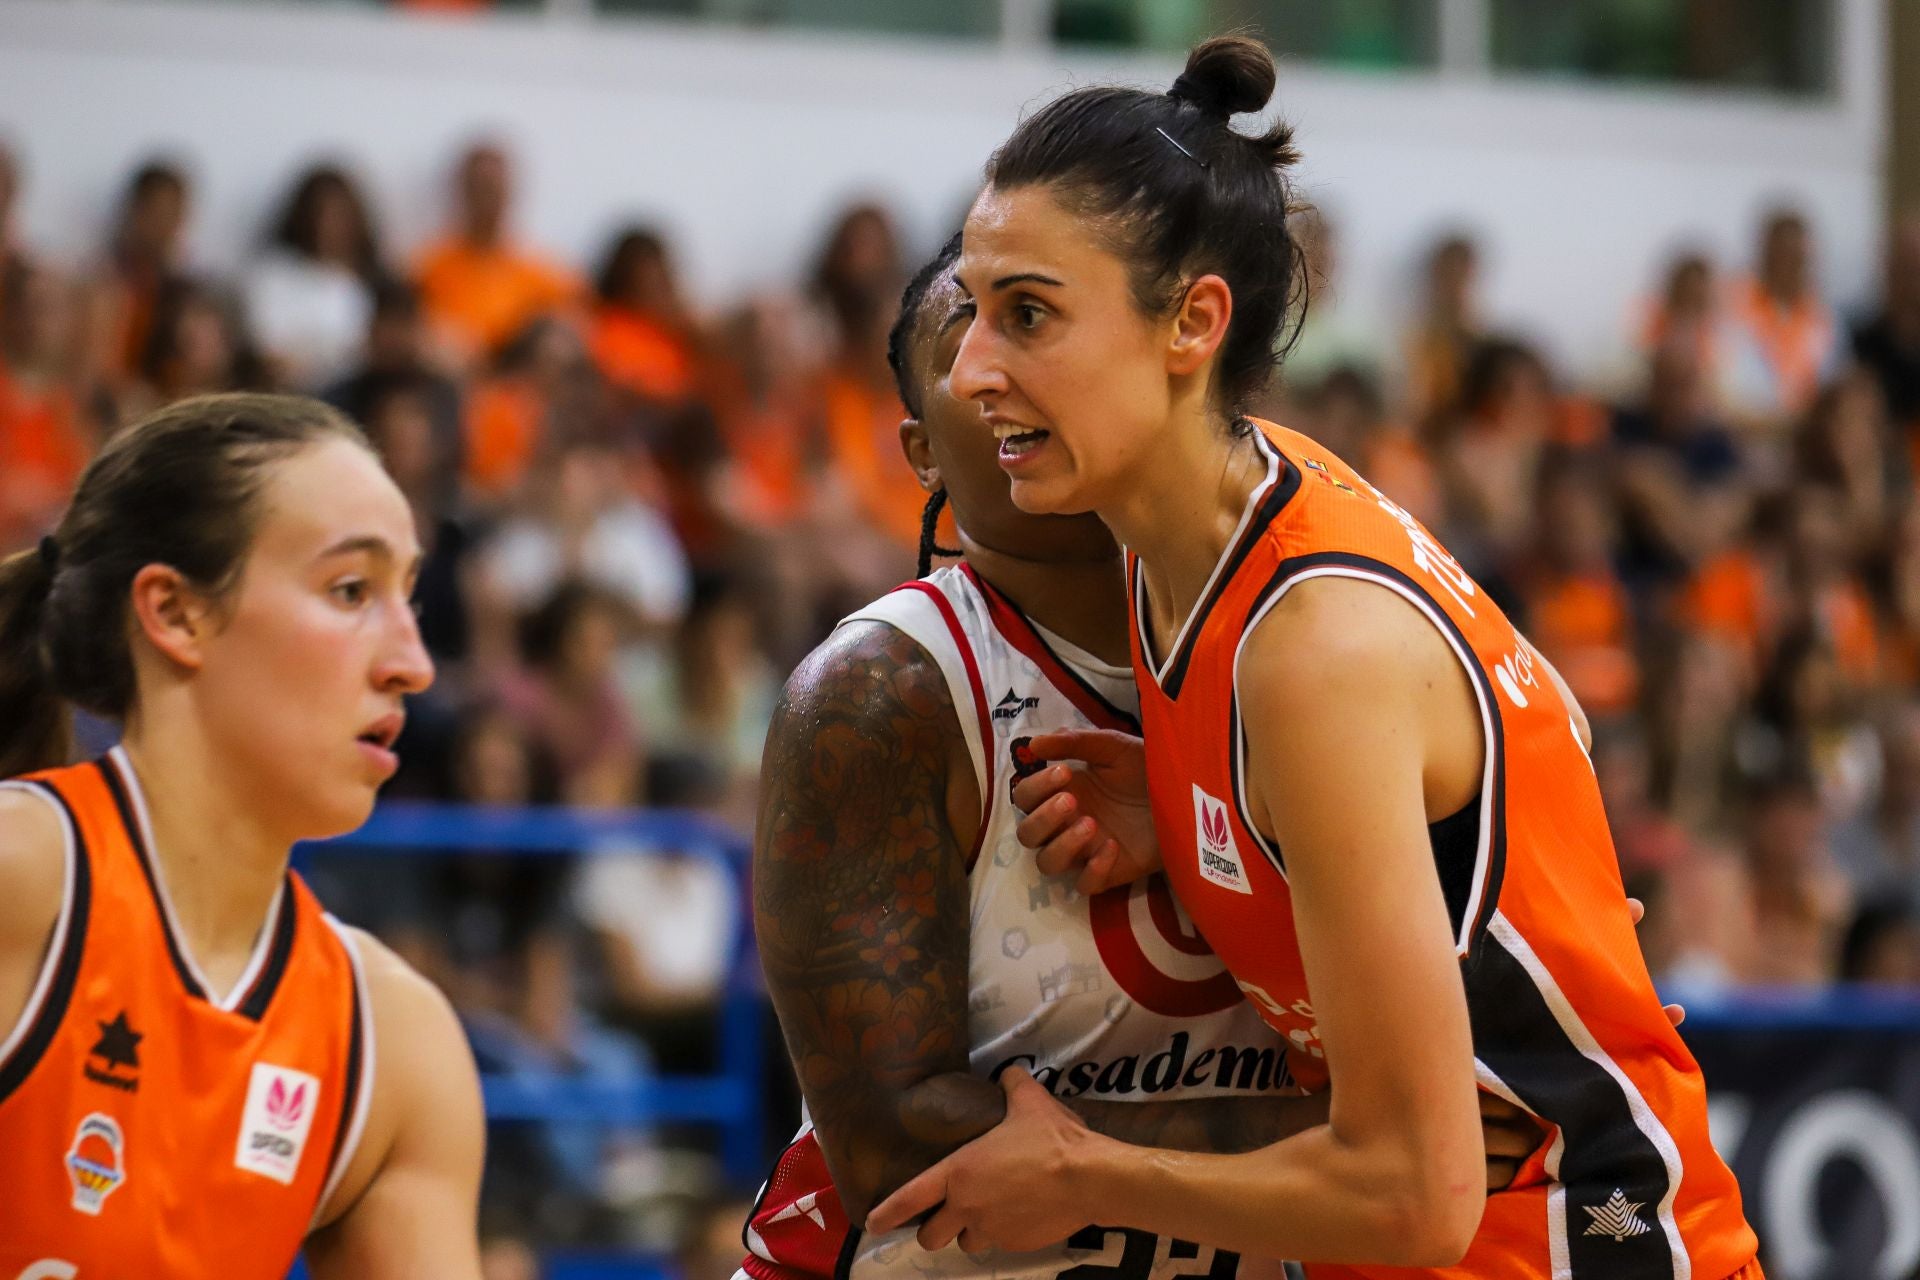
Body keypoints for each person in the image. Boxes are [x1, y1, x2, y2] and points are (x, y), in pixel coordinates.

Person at [868, 38, 1759, 1278]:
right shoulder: (1196, 514)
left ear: (1193, 322)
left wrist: (1079, 1176)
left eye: (1029, 314)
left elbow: (1415, 1196)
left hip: (1566, 1245)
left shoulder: (1313, 647)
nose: (972, 368)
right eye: (972, 309)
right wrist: (1208, 808)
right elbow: (1541, 733)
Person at [743, 239, 1671, 1280]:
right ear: (920, 451)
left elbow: (1529, 744)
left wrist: (1521, 941)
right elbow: (890, 1135)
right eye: (972, 347)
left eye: (1040, 329)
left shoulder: (1283, 622)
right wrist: (1359, 1138)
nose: (1007, 378)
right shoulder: (881, 690)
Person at [0, 393, 484, 1275]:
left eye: (408, 597)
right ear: (176, 614)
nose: (412, 663)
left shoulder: (393, 1044)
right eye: (350, 591)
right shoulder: (23, 879)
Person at [244, 163, 385, 390]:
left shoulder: (376, 281)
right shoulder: (272, 277)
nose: (330, 226)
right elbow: (274, 355)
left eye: (340, 215)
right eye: (321, 214)